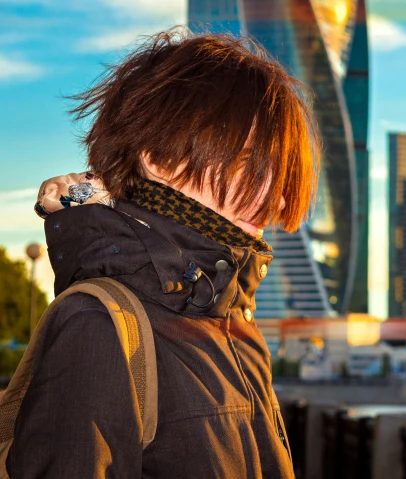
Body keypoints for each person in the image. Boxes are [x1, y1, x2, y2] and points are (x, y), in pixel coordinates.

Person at [9, 28, 319, 478]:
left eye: (280, 172)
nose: (278, 199)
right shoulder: (99, 327)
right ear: (158, 158)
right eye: (250, 162)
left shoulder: (232, 319)